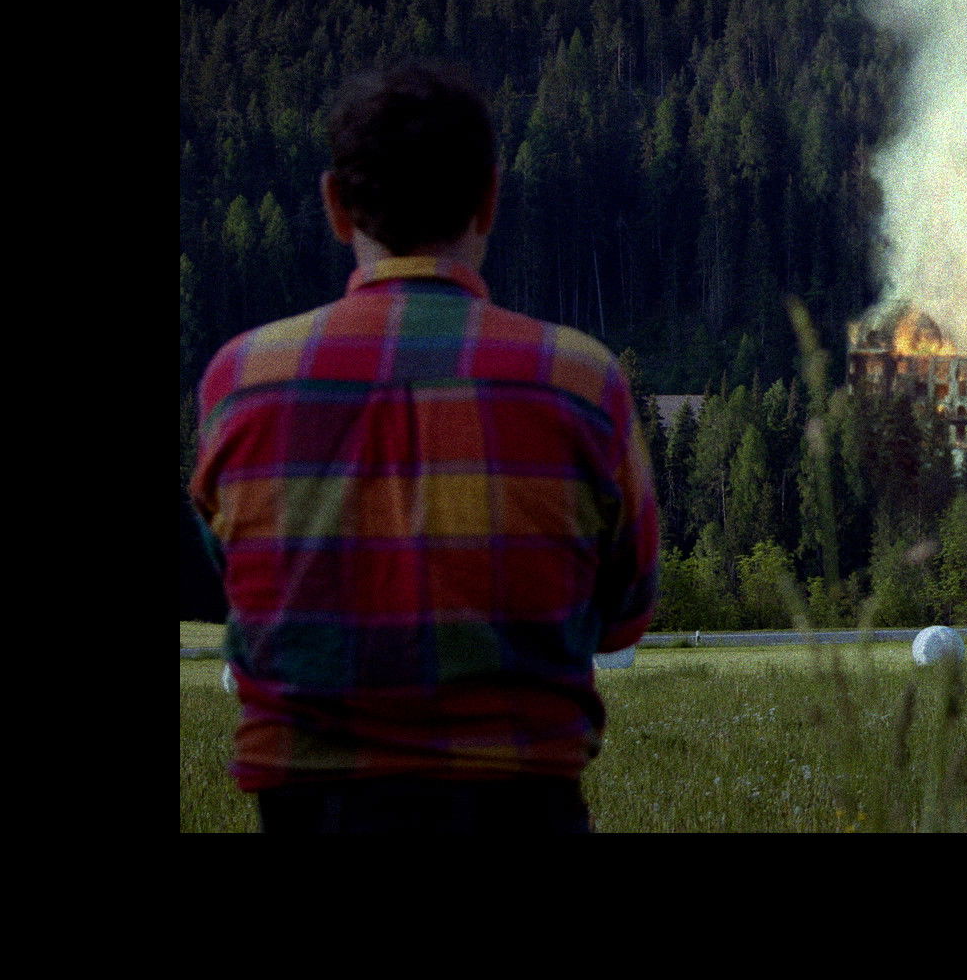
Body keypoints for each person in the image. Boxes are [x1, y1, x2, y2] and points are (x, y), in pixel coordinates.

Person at [188, 64, 658, 833]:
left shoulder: (241, 380)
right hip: (521, 800)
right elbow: (626, 614)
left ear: (335, 206)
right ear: (490, 199)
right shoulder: (579, 380)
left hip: (308, 804)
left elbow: (232, 584)